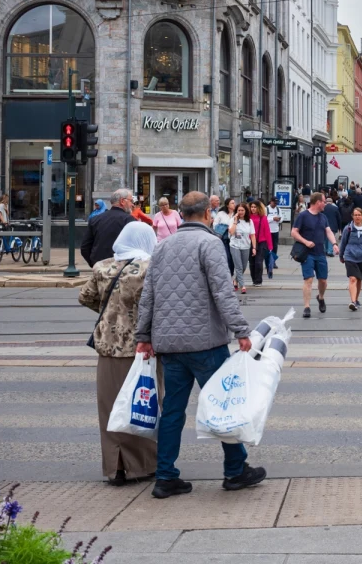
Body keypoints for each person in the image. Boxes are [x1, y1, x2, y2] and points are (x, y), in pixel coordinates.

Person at [135, 192, 264, 498]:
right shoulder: (210, 244)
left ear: (181, 214)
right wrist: (241, 331)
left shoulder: (162, 246)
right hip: (206, 343)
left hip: (169, 344)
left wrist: (143, 337)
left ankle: (165, 476)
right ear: (208, 213)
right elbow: (223, 292)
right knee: (224, 406)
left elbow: (148, 296)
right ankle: (235, 471)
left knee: (172, 412)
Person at [78, 222, 158, 485]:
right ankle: (143, 465)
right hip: (142, 347)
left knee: (111, 409)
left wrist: (111, 314)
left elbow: (86, 298)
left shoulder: (102, 267)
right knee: (141, 407)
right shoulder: (150, 268)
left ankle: (115, 468)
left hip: (108, 347)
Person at [292, 192, 337, 319]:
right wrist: (305, 242)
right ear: (318, 202)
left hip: (320, 253)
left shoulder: (323, 217)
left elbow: (328, 231)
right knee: (309, 279)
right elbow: (293, 232)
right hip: (307, 254)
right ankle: (307, 307)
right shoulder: (303, 216)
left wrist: (334, 244)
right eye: (324, 201)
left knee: (323, 281)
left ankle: (321, 297)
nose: (325, 204)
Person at [82, 189, 138, 267]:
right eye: (131, 201)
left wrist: (94, 264)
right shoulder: (129, 220)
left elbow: (85, 247)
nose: (132, 205)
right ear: (122, 201)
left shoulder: (95, 219)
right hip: (121, 269)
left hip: (100, 268)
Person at [340, 207, 362, 311]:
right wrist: (341, 256)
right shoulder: (348, 228)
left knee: (359, 279)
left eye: (359, 215)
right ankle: (353, 301)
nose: (357, 217)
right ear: (352, 216)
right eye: (355, 215)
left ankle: (356, 299)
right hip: (350, 256)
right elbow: (343, 243)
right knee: (353, 278)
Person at [227, 203, 255, 294]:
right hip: (235, 245)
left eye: (242, 210)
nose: (240, 212)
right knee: (238, 266)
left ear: (245, 211)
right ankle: (242, 285)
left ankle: (235, 280)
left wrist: (254, 247)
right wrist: (235, 220)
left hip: (246, 246)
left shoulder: (249, 221)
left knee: (243, 267)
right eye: (239, 210)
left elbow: (253, 235)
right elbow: (231, 232)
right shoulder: (233, 220)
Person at [248, 200, 273, 284]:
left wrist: (270, 246)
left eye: (255, 207)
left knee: (258, 262)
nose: (253, 209)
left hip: (261, 242)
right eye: (252, 207)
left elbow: (267, 232)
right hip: (250, 242)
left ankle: (258, 280)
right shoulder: (248, 217)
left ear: (259, 208)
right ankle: (254, 279)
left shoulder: (263, 218)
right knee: (252, 262)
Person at [266, 197, 282, 273]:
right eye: (274, 203)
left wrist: (279, 219)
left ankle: (273, 261)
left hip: (275, 230)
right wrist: (273, 218)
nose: (275, 204)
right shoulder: (266, 209)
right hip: (268, 231)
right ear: (271, 202)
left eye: (276, 203)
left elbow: (282, 218)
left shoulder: (278, 209)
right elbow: (265, 219)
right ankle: (267, 261)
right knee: (268, 247)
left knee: (274, 247)